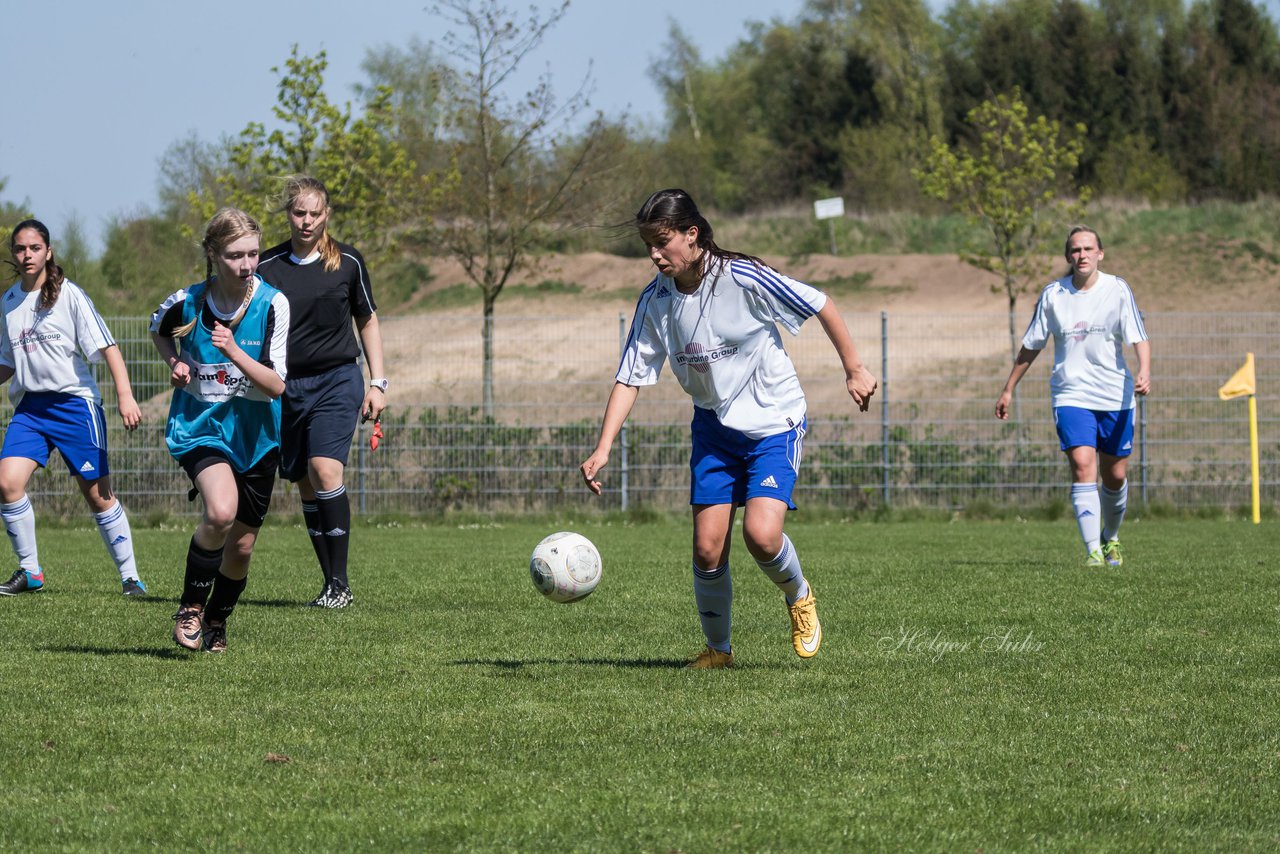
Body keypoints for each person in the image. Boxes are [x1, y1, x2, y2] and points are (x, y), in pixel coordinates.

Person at [580, 189, 878, 669]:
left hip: (773, 423)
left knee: (761, 536)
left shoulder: (742, 277)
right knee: (706, 547)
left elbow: (821, 302)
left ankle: (799, 596)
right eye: (648, 245)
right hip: (713, 428)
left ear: (691, 234)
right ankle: (719, 651)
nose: (655, 254)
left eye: (662, 241)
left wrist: (855, 368)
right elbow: (630, 375)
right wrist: (603, 446)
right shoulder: (655, 300)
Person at [151, 208, 290, 652]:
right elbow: (158, 330)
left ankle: (216, 620)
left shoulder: (273, 304)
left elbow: (274, 386)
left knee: (242, 548)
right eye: (234, 255)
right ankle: (191, 607)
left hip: (257, 437)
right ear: (213, 254)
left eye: (252, 253)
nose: (246, 264)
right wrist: (175, 361)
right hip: (201, 428)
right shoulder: (188, 301)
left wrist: (232, 351)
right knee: (220, 512)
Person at [257, 176, 386, 609]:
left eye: (315, 213)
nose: (307, 221)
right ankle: (331, 583)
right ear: (288, 215)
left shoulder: (347, 262)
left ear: (326, 214)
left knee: (324, 469)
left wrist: (378, 382)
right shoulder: (266, 266)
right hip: (284, 388)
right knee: (305, 484)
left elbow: (367, 321)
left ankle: (341, 584)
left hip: (337, 379)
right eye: (299, 212)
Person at [0, 219, 145, 597]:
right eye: (20, 249)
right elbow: (7, 363)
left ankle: (130, 577)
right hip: (30, 408)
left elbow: (108, 347)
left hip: (74, 405)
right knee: (7, 482)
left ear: (48, 251)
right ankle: (30, 571)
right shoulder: (9, 302)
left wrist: (125, 396)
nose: (27, 254)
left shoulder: (69, 295)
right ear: (13, 255)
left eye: (34, 248)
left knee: (97, 494)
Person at [996, 225, 1151, 567]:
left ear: (1100, 253)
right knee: (1083, 467)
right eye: (1075, 250)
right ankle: (1093, 551)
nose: (1081, 255)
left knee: (1115, 475)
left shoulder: (1117, 289)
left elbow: (1138, 336)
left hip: (1115, 397)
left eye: (1087, 249)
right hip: (1071, 394)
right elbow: (1031, 346)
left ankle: (1111, 539)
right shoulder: (1053, 295)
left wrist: (1144, 370)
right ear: (1069, 256)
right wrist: (1009, 389)